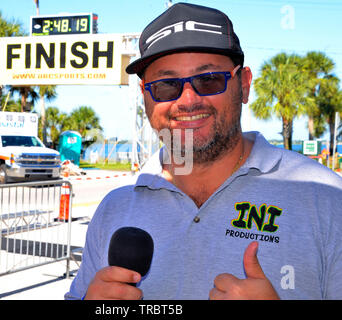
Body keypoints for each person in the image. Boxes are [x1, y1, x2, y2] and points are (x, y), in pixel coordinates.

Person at [65, 3, 342, 300]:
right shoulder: (115, 208)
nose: (187, 100)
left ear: (244, 85)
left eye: (208, 79)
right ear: (145, 94)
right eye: (166, 85)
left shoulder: (325, 198)